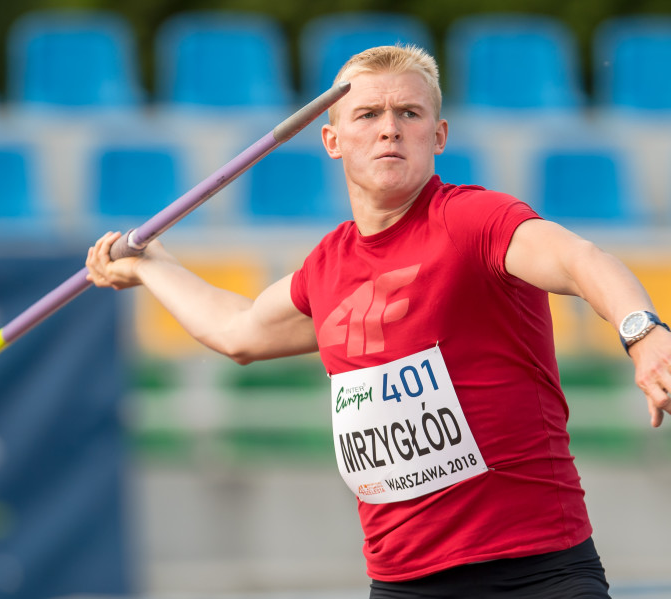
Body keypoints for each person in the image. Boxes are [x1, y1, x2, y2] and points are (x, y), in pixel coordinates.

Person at [85, 45, 671, 598]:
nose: (389, 127)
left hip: (536, 570)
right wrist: (151, 268)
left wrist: (642, 333)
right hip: (404, 581)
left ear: (437, 136)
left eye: (408, 112)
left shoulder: (474, 221)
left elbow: (580, 259)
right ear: (332, 139)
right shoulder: (327, 267)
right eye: (367, 113)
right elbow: (237, 331)